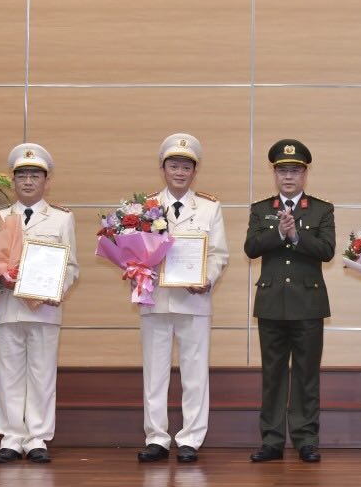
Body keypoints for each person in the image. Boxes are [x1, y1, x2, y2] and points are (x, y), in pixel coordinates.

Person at [136, 133, 229, 464]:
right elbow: (132, 253)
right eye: (173, 165)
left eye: (186, 166)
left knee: (194, 372)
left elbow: (218, 254)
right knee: (155, 373)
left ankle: (190, 437)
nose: (179, 172)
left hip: (194, 300)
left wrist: (207, 279)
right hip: (156, 299)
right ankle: (156, 437)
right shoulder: (143, 208)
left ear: (194, 171)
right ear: (163, 168)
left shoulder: (209, 207)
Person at [244, 139, 334, 464]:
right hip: (271, 303)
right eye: (282, 170)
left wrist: (296, 236)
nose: (288, 177)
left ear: (304, 174)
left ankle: (306, 439)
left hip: (308, 304)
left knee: (307, 375)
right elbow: (251, 247)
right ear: (275, 174)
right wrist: (279, 234)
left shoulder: (322, 209)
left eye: (295, 171)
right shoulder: (261, 209)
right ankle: (271, 440)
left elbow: (327, 250)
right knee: (273, 375)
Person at [0, 143, 78, 465]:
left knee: (42, 374)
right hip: (9, 307)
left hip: (45, 308)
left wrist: (54, 289)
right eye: (22, 175)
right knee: (10, 374)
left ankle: (38, 437)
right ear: (13, 181)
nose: (28, 181)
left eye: (35, 175)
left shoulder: (61, 219)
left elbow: (71, 267)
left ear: (46, 181)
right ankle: (11, 437)